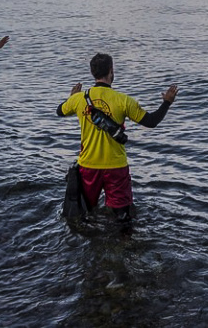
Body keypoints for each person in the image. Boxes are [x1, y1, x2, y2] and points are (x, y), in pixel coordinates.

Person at [57, 53, 179, 227]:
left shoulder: (78, 99)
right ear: (111, 71)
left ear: (92, 73)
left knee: (85, 214)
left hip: (88, 166)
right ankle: (122, 242)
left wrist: (71, 98)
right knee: (123, 218)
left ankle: (87, 240)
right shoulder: (123, 100)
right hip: (116, 167)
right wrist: (167, 103)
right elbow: (151, 121)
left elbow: (59, 111)